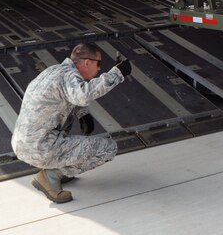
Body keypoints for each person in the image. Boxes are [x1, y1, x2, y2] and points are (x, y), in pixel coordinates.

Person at [11, 43, 132, 203]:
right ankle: (50, 176)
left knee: (71, 131)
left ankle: (57, 170)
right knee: (108, 148)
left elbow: (65, 97)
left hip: (24, 144)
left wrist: (83, 113)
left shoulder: (54, 71)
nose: (99, 70)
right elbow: (84, 94)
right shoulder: (69, 76)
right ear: (87, 62)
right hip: (42, 148)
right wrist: (117, 73)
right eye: (98, 64)